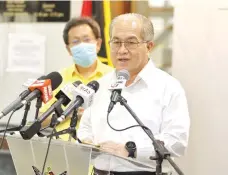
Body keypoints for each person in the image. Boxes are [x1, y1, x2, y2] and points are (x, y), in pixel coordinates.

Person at [77, 13, 190, 174]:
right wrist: (87, 142)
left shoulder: (168, 87)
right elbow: (86, 127)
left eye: (131, 42)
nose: (122, 50)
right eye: (116, 42)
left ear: (149, 46)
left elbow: (177, 141)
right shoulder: (100, 84)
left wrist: (132, 149)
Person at [40, 16, 113, 141]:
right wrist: (68, 113)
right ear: (68, 49)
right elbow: (41, 122)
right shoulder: (58, 79)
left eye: (86, 39)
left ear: (98, 43)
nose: (82, 45)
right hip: (64, 154)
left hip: (101, 154)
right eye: (75, 41)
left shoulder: (113, 77)